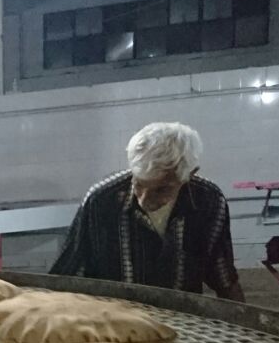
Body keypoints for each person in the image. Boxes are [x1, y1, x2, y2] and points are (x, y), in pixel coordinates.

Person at [51, 122, 245, 301]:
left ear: (188, 176)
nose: (143, 200)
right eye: (138, 184)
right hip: (116, 318)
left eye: (162, 189)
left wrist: (242, 331)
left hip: (182, 318)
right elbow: (69, 273)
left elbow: (222, 273)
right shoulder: (102, 201)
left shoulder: (207, 201)